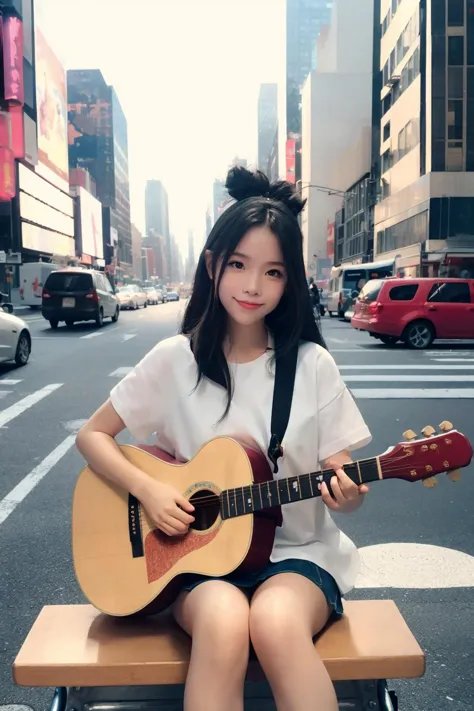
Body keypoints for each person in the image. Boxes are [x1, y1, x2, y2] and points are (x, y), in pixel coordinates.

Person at [76, 166, 372, 711]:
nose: (253, 286)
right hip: (196, 563)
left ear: (291, 283)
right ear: (213, 265)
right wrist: (149, 490)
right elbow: (93, 437)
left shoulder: (311, 366)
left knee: (276, 622)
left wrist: (348, 494)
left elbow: (342, 471)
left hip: (298, 557)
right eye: (238, 265)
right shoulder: (174, 361)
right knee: (226, 618)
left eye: (274, 272)